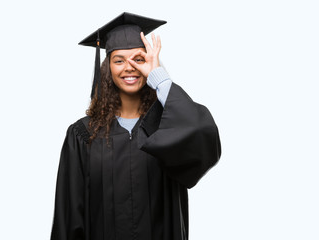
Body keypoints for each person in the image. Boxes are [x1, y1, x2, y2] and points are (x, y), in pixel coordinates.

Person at [50, 12, 221, 240]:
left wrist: (159, 78)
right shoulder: (83, 135)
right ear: (107, 69)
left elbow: (202, 133)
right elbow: (69, 216)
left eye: (138, 60)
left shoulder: (168, 127)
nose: (129, 68)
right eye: (119, 60)